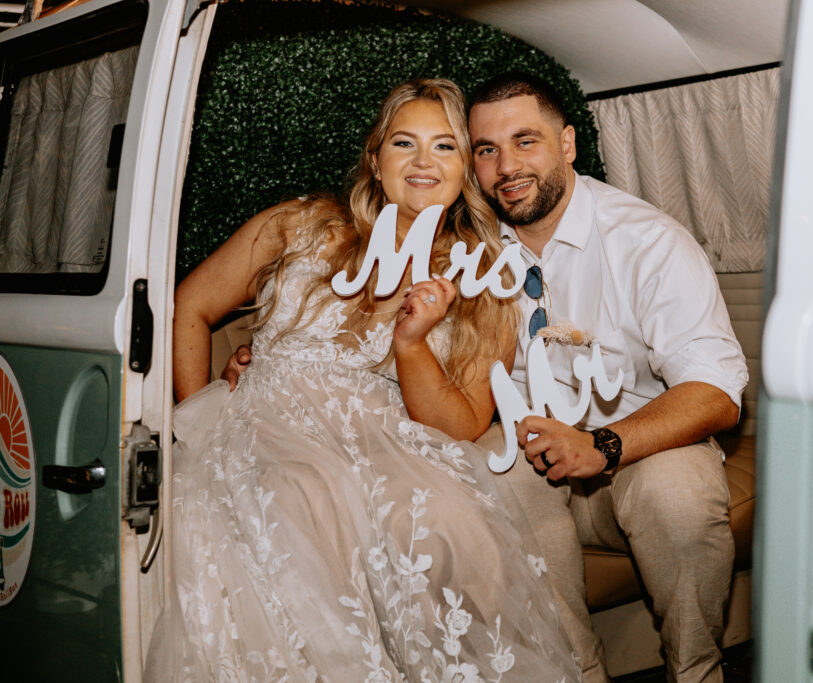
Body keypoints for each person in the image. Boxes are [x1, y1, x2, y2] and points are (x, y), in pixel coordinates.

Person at [146, 78, 580, 681]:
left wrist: (412, 343)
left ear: (467, 174)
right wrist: (200, 420)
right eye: (405, 143)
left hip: (380, 447)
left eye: (447, 146)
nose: (424, 162)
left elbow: (459, 425)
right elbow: (185, 309)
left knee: (451, 520)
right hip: (258, 431)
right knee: (305, 492)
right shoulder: (299, 227)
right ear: (376, 161)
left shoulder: (482, 282)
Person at [467, 73, 749, 683]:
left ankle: (697, 671)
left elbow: (717, 390)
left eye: (525, 141)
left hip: (639, 452)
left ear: (567, 144)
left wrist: (603, 445)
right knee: (493, 462)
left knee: (674, 492)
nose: (506, 167)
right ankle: (577, 671)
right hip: (537, 466)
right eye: (486, 150)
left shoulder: (646, 242)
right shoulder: (472, 251)